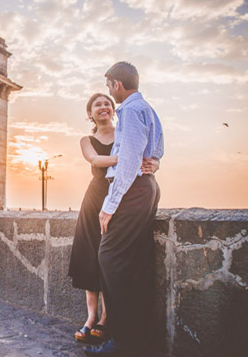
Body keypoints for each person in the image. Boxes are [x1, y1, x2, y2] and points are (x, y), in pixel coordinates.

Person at [85, 62, 164, 356]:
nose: (108, 91)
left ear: (117, 85)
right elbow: (156, 149)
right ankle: (142, 337)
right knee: (136, 260)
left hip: (132, 190)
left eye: (109, 86)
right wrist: (155, 162)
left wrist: (109, 206)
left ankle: (123, 340)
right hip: (148, 187)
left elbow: (129, 161)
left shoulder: (129, 111)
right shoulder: (147, 108)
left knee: (109, 256)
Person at [69, 93, 159, 345]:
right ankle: (90, 317)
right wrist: (126, 159)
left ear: (114, 109)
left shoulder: (125, 132)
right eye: (98, 105)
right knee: (91, 255)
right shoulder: (86, 139)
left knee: (110, 257)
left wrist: (155, 164)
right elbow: (95, 159)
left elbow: (147, 154)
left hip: (119, 200)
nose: (104, 107)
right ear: (90, 114)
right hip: (96, 197)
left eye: (108, 103)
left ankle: (106, 319)